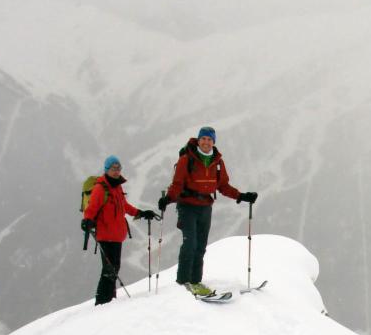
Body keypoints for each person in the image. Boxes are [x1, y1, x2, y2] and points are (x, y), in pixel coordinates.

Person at [158, 127, 257, 296]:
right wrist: (168, 198)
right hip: (187, 206)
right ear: (198, 140)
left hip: (205, 207)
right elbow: (178, 183)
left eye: (209, 139)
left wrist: (241, 196)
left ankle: (196, 281)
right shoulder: (186, 159)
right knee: (190, 244)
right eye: (203, 138)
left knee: (201, 246)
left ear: (214, 142)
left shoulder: (217, 162)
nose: (206, 142)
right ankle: (183, 282)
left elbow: (223, 186)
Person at [82, 155, 160, 305]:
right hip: (105, 235)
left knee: (113, 268)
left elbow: (124, 206)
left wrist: (141, 213)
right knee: (110, 269)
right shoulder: (100, 188)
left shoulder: (117, 187)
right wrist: (87, 220)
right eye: (113, 168)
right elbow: (92, 208)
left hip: (116, 236)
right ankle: (102, 302)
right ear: (106, 169)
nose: (117, 171)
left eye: (118, 168)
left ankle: (109, 300)